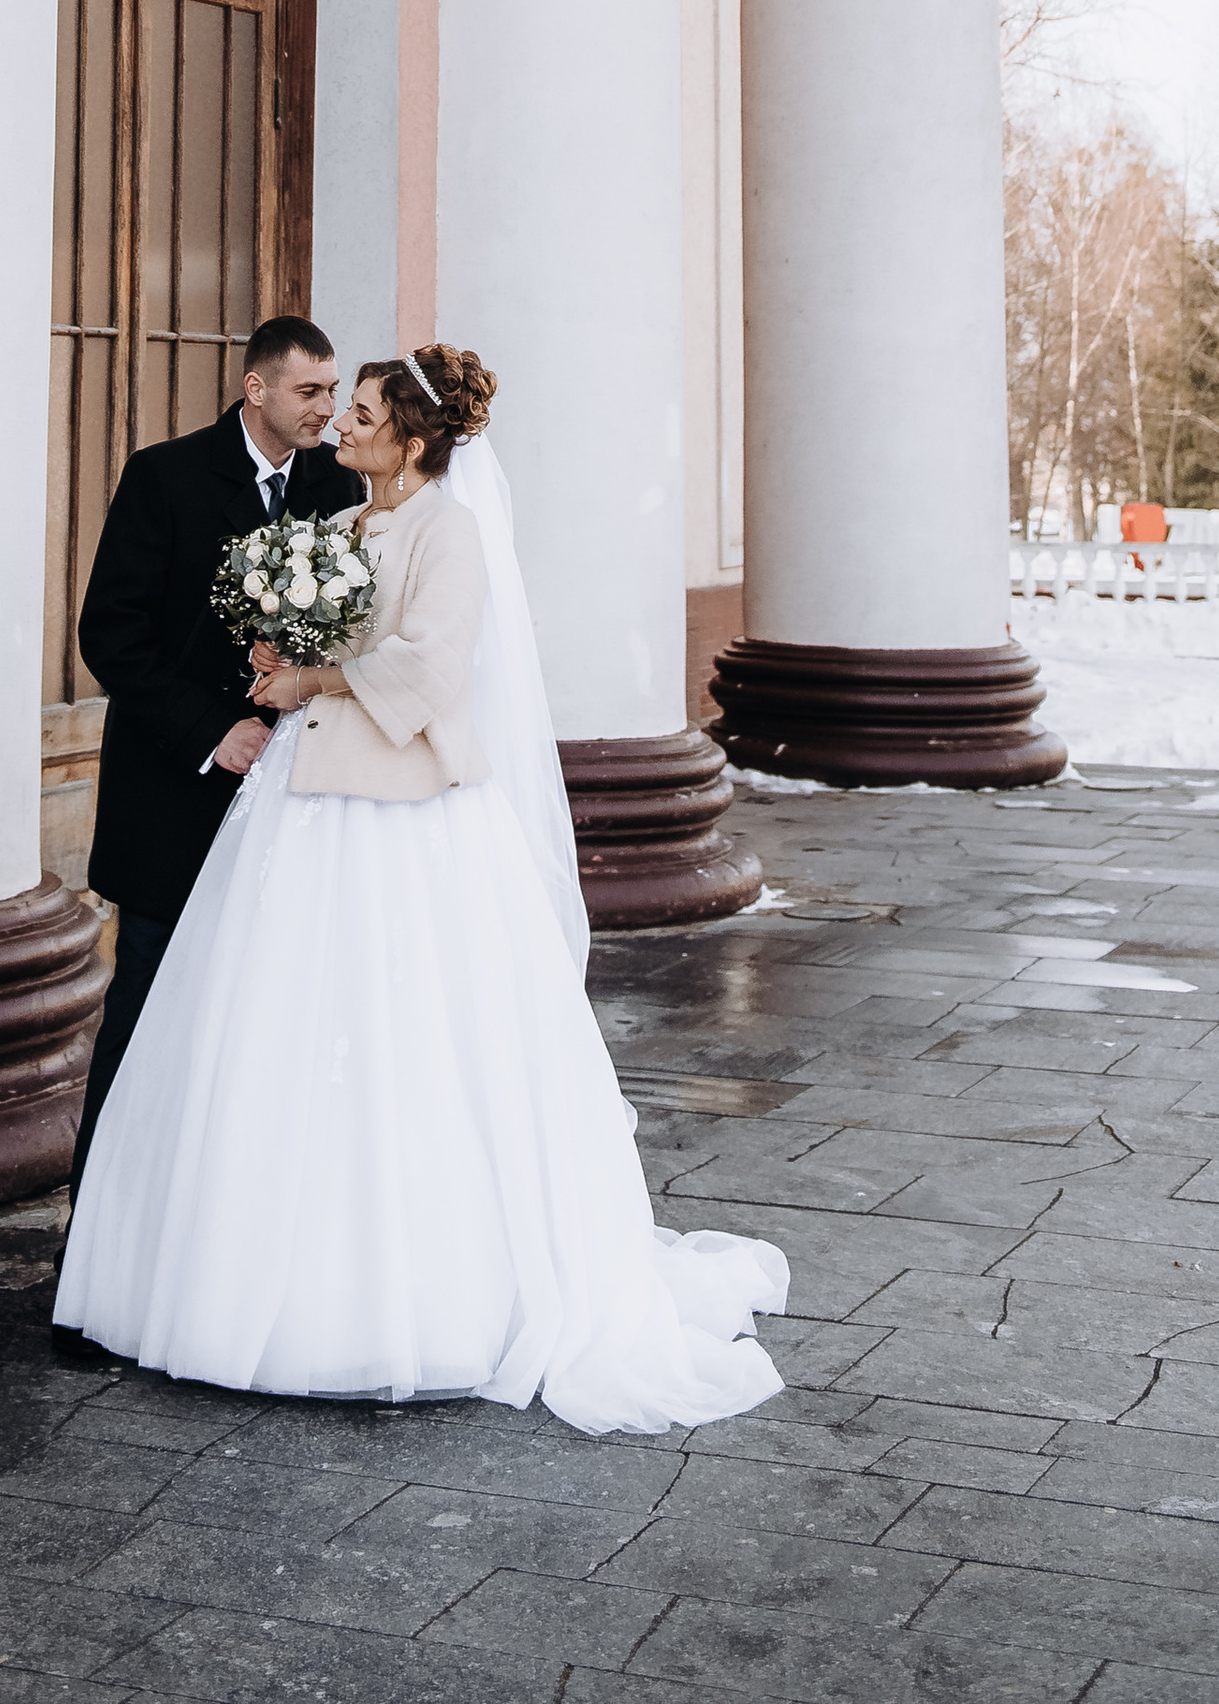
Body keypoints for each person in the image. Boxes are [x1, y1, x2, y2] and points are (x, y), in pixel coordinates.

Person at [53, 342, 787, 1435]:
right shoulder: (344, 528)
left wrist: (311, 675)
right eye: (334, 405)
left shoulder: (451, 531)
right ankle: (233, 1270)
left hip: (407, 814)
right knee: (267, 1031)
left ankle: (410, 1293)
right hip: (302, 808)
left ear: (410, 437)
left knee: (407, 1034)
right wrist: (275, 653)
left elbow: (432, 672)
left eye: (358, 412)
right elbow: (309, 639)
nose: (338, 424)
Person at [66, 315, 364, 1190]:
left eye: (335, 391)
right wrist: (211, 731)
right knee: (147, 1008)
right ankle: (100, 1222)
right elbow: (110, 635)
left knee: (260, 1020)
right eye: (311, 392)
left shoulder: (340, 494)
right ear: (257, 389)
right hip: (171, 796)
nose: (328, 409)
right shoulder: (164, 477)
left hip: (293, 801)